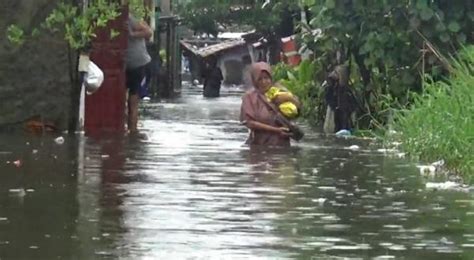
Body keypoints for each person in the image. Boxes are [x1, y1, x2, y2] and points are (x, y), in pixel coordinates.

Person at [240, 62, 302, 146]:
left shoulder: (280, 92)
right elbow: (249, 122)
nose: (264, 82)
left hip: (282, 145)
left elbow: (298, 112)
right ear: (254, 81)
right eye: (260, 79)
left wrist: (289, 98)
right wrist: (276, 130)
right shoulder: (250, 98)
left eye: (266, 78)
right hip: (260, 145)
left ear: (271, 78)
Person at [125, 13, 152, 134]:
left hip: (138, 63)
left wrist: (131, 34)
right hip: (126, 63)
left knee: (133, 98)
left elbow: (148, 32)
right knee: (130, 98)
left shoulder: (130, 18)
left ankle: (133, 129)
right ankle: (131, 129)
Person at [323, 65, 357, 134]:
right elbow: (328, 98)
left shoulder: (347, 91)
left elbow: (353, 105)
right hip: (335, 112)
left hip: (345, 114)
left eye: (336, 73)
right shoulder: (332, 87)